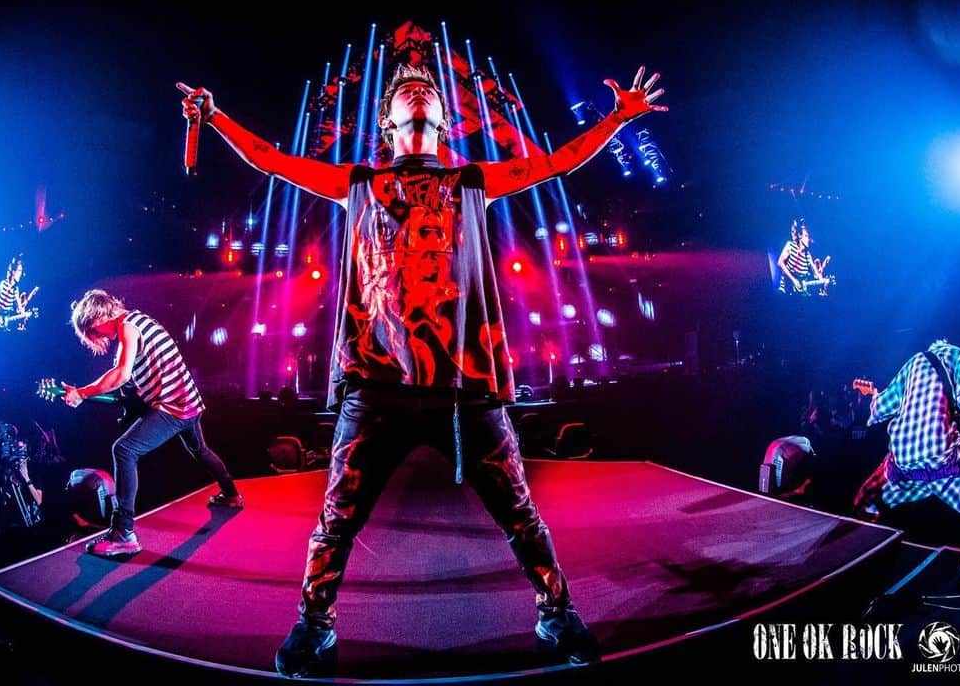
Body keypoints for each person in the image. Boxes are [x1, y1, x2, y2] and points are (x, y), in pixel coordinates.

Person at [180, 61, 666, 675]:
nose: (418, 88)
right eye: (407, 89)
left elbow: (556, 163)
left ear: (443, 118)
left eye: (429, 89)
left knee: (519, 511)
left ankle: (556, 611)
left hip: (464, 382)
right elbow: (271, 161)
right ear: (387, 121)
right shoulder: (359, 182)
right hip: (376, 381)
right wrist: (215, 116)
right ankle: (314, 623)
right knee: (336, 519)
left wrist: (619, 119)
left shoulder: (471, 181)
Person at [62, 289, 243, 557]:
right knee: (200, 451)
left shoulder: (127, 327)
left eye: (92, 330)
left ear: (98, 316)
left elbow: (121, 375)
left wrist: (83, 393)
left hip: (173, 408)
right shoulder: (139, 320)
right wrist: (83, 393)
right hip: (189, 403)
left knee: (123, 450)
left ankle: (124, 533)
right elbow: (129, 383)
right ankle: (231, 494)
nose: (97, 337)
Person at [852, 339, 960, 577]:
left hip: (902, 463)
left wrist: (872, 396)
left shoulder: (913, 362)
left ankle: (860, 553)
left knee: (865, 499)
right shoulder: (956, 354)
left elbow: (880, 408)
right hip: (942, 459)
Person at [777, 220, 828, 295]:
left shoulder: (808, 256)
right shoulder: (790, 245)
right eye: (806, 236)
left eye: (809, 237)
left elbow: (816, 274)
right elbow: (780, 262)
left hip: (798, 294)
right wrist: (794, 280)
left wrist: (823, 281)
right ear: (800, 236)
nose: (809, 240)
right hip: (785, 291)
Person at [0, 256, 36, 330]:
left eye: (21, 271)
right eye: (19, 271)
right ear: (13, 272)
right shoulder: (3, 284)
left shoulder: (15, 290)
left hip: (4, 322)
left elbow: (20, 309)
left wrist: (27, 315)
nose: (21, 274)